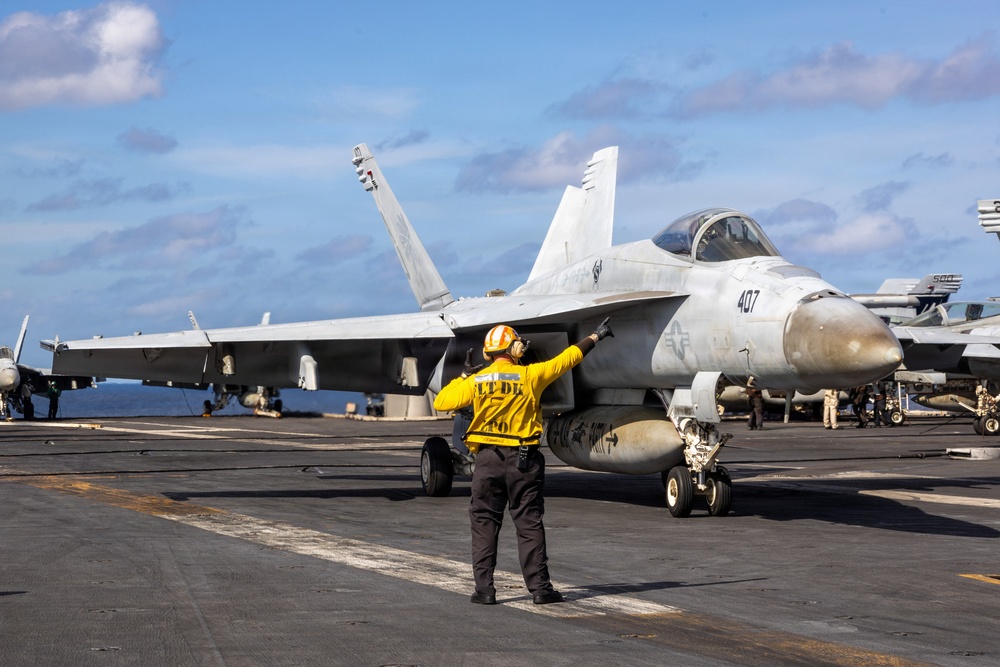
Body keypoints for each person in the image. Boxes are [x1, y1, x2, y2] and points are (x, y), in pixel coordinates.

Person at [433, 318, 614, 606]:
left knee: (484, 524)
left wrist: (465, 376)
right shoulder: (531, 375)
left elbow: (441, 401)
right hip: (523, 462)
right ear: (515, 349)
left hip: (488, 461)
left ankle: (485, 591)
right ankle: (540, 590)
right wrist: (595, 336)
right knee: (529, 524)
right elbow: (567, 359)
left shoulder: (478, 381)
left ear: (487, 353)